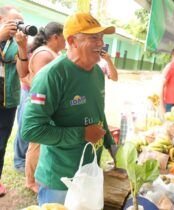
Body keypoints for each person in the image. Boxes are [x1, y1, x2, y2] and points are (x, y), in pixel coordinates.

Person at [21, 12, 116, 205]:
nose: (101, 44)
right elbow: (31, 130)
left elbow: (97, 111)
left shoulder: (97, 72)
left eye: (102, 38)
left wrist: (111, 144)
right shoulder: (52, 75)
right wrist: (82, 134)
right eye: (94, 38)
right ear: (72, 41)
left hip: (89, 172)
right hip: (60, 179)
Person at [18, 22, 65, 193]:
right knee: (36, 144)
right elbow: (40, 85)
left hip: (49, 104)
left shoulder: (52, 52)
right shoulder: (44, 54)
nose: (66, 41)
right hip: (41, 105)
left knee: (41, 144)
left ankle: (36, 177)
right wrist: (43, 111)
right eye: (65, 36)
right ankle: (30, 182)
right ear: (55, 37)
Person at [0, 5, 29, 196]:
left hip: (7, 99)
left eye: (21, 23)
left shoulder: (14, 42)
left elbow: (22, 72)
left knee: (1, 143)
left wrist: (22, 47)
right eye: (15, 22)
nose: (19, 26)